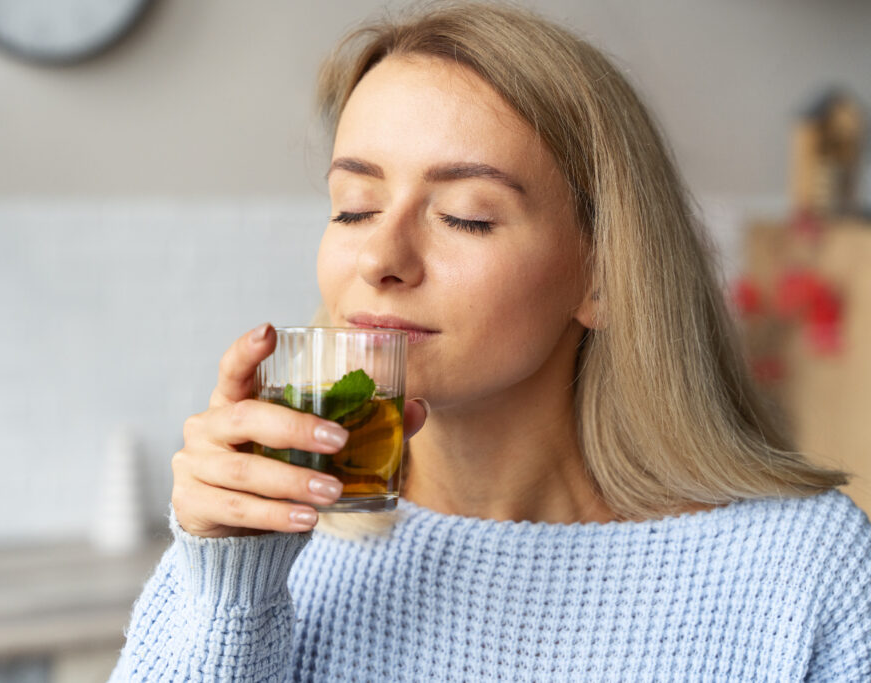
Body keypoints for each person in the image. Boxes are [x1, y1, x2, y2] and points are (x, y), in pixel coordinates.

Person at [109, 2, 871, 680]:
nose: (380, 259)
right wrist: (232, 586)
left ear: (603, 276)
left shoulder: (805, 572)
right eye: (353, 207)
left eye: (467, 216)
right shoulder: (250, 553)